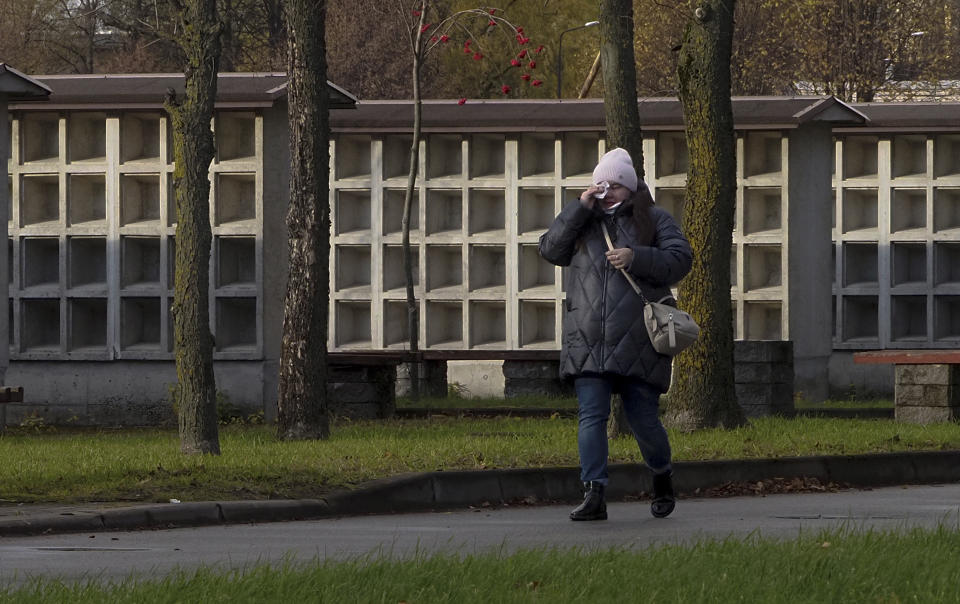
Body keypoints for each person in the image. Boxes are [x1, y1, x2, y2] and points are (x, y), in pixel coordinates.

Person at [538, 147, 693, 521]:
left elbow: (680, 260)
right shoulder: (583, 222)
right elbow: (549, 249)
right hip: (588, 339)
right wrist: (579, 206)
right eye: (599, 185)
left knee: (644, 420)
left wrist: (636, 257)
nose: (606, 192)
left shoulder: (654, 219)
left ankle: (661, 479)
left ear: (629, 187)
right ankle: (594, 494)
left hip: (639, 340)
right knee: (591, 416)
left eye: (613, 186)